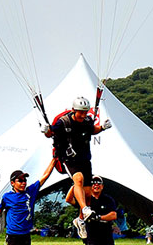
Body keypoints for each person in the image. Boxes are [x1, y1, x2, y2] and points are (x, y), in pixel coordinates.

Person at [43, 95, 111, 236]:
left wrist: (103, 127)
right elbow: (51, 133)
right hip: (69, 159)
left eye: (85, 112)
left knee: (87, 194)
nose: (83, 115)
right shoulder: (64, 122)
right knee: (78, 179)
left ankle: (80, 220)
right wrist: (46, 130)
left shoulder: (87, 121)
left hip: (85, 159)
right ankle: (85, 210)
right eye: (80, 112)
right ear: (74, 110)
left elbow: (93, 130)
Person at [75, 175, 120, 245]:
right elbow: (69, 199)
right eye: (93, 182)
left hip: (107, 240)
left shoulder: (108, 199)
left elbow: (113, 215)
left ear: (102, 186)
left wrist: (98, 217)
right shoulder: (85, 201)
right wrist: (77, 182)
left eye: (98, 182)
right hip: (93, 241)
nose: (96, 184)